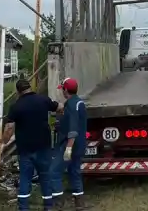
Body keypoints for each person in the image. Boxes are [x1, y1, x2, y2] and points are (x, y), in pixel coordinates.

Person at [2, 78, 59, 210]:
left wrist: (4, 142)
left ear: (18, 91)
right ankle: (48, 207)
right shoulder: (43, 100)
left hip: (25, 150)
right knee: (45, 177)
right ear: (30, 88)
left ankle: (23, 208)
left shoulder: (16, 106)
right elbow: (58, 107)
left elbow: (9, 128)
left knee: (25, 178)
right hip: (44, 147)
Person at [50, 77, 88, 209]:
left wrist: (68, 149)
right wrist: (60, 124)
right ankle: (79, 203)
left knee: (54, 171)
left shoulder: (71, 105)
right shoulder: (79, 103)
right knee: (74, 172)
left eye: (63, 89)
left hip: (69, 145)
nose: (62, 92)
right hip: (80, 145)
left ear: (66, 90)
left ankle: (58, 202)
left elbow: (73, 129)